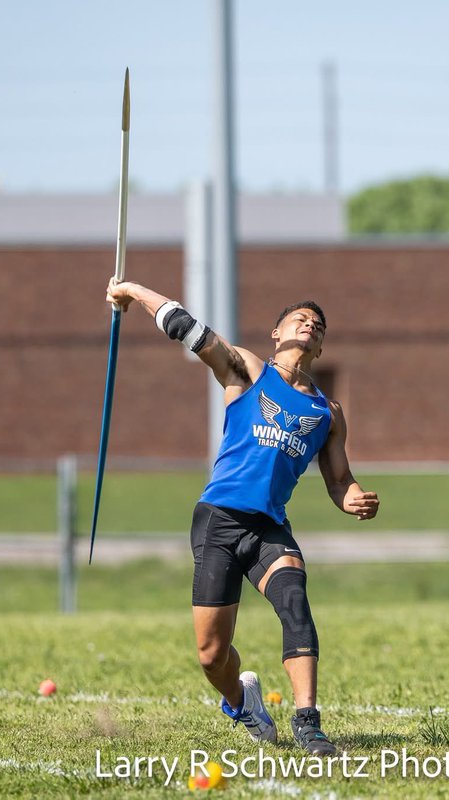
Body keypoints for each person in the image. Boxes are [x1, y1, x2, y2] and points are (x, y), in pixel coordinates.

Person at [105, 277, 379, 755]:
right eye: (300, 319)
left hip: (268, 527)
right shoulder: (250, 372)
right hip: (219, 520)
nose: (310, 325)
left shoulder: (328, 413)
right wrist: (132, 292)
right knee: (211, 655)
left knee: (294, 600)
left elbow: (339, 480)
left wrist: (353, 497)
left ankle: (308, 723)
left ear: (321, 346)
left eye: (318, 325)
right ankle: (241, 701)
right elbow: (188, 329)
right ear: (277, 334)